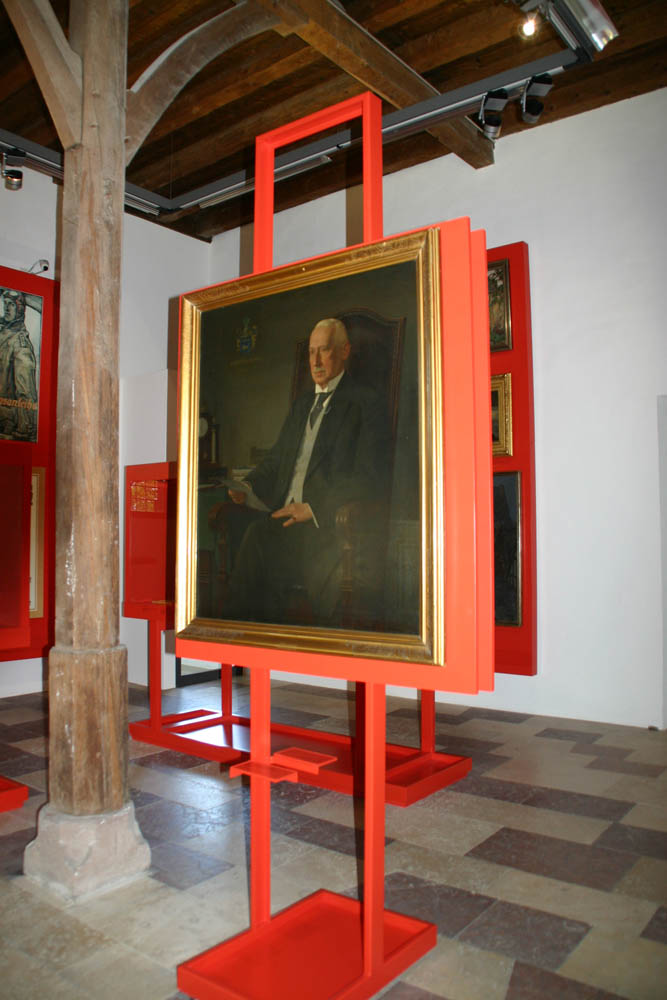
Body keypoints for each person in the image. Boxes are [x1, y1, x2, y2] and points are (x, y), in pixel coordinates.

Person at [224, 317, 390, 625]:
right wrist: (248, 486)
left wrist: (313, 508)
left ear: (344, 351)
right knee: (251, 535)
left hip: (327, 529)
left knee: (256, 539)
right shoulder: (302, 406)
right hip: (284, 524)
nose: (315, 362)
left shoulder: (367, 404)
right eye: (311, 352)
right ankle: (237, 636)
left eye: (324, 350)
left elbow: (368, 477)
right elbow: (277, 461)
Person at [0, 289, 38, 442]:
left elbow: (26, 392)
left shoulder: (20, 344)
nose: (7, 308)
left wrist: (24, 431)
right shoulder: (3, 333)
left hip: (6, 424)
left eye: (12, 305)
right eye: (5, 303)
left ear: (20, 309)